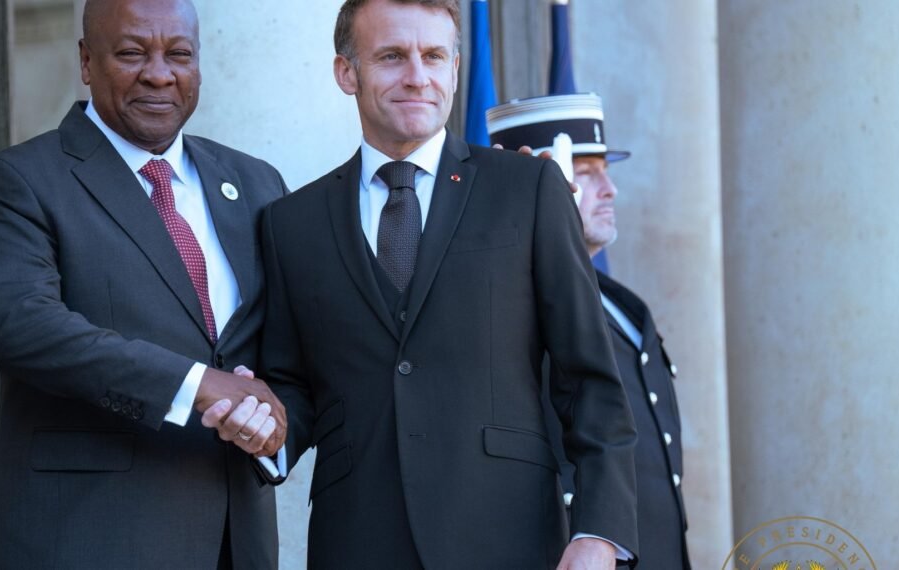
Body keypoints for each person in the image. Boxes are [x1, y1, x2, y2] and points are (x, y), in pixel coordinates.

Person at [253, 1, 638, 567]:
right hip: (356, 543)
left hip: (511, 540)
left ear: (456, 70)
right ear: (346, 72)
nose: (417, 76)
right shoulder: (291, 223)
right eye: (391, 57)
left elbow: (590, 382)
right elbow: (294, 386)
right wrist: (266, 428)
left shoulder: (527, 189)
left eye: (434, 56)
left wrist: (598, 533)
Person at [0, 0, 287, 567]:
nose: (160, 73)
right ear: (87, 62)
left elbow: (290, 346)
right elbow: (22, 326)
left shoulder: (255, 183)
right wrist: (198, 385)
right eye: (133, 52)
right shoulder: (18, 182)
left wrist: (279, 420)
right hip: (86, 538)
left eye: (179, 54)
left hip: (235, 542)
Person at [507, 93, 691, 569]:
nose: (610, 189)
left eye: (606, 170)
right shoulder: (509, 306)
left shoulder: (624, 303)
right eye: (586, 173)